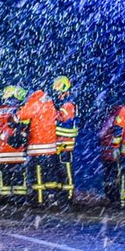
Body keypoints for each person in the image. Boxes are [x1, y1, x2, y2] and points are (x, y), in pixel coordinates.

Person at [18, 83, 63, 207]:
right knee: (50, 173)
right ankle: (52, 197)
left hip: (36, 145)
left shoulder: (34, 102)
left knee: (36, 173)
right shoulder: (50, 103)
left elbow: (21, 116)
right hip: (50, 145)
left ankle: (38, 199)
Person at [0, 85, 29, 201]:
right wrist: (19, 137)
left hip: (4, 150)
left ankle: (5, 198)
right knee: (20, 175)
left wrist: (7, 138)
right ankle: (20, 198)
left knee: (5, 176)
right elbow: (26, 127)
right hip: (19, 150)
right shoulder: (21, 109)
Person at [52, 75, 77, 206]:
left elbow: (64, 122)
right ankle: (62, 195)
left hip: (65, 144)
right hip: (60, 143)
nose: (58, 95)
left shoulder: (68, 105)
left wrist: (52, 114)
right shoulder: (64, 104)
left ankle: (68, 197)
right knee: (60, 171)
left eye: (59, 92)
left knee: (66, 170)